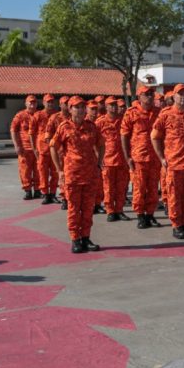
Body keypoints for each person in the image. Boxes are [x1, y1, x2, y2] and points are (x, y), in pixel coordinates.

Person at [50, 96, 104, 253]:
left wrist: (99, 163)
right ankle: (75, 239)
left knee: (87, 209)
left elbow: (101, 145)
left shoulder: (91, 126)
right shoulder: (64, 127)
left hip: (90, 175)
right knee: (74, 209)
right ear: (70, 109)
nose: (80, 110)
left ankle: (86, 238)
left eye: (82, 107)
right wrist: (59, 169)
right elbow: (53, 146)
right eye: (76, 107)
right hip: (72, 175)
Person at [152, 84, 184, 239]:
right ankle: (177, 226)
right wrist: (161, 158)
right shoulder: (165, 115)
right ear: (173, 96)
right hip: (174, 164)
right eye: (180, 94)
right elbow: (155, 137)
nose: (183, 97)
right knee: (175, 196)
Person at [120, 85, 162, 229]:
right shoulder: (131, 113)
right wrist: (127, 157)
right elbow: (124, 136)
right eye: (146, 94)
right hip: (138, 158)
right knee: (139, 188)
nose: (150, 96)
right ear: (139, 97)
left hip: (155, 157)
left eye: (151, 94)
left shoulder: (158, 112)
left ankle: (150, 215)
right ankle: (140, 216)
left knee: (152, 188)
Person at [95, 96, 130, 222]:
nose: (114, 107)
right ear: (106, 106)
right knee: (108, 187)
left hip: (122, 159)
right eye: (111, 105)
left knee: (121, 187)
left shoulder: (123, 120)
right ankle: (110, 210)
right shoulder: (100, 122)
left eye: (115, 105)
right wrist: (98, 158)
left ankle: (119, 210)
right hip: (107, 160)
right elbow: (94, 141)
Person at [31, 93, 60, 204]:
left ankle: (52, 194)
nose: (50, 103)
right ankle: (45, 194)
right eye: (48, 102)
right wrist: (34, 149)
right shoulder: (37, 115)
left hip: (54, 149)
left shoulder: (57, 115)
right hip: (42, 149)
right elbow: (31, 133)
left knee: (55, 172)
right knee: (43, 172)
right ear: (43, 103)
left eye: (52, 101)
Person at [10, 95, 40, 199]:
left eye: (34, 103)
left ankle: (37, 190)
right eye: (30, 103)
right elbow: (13, 130)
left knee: (38, 170)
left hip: (38, 149)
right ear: (26, 104)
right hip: (24, 149)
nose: (32, 105)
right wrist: (16, 145)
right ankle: (27, 191)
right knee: (25, 170)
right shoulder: (20, 115)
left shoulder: (39, 115)